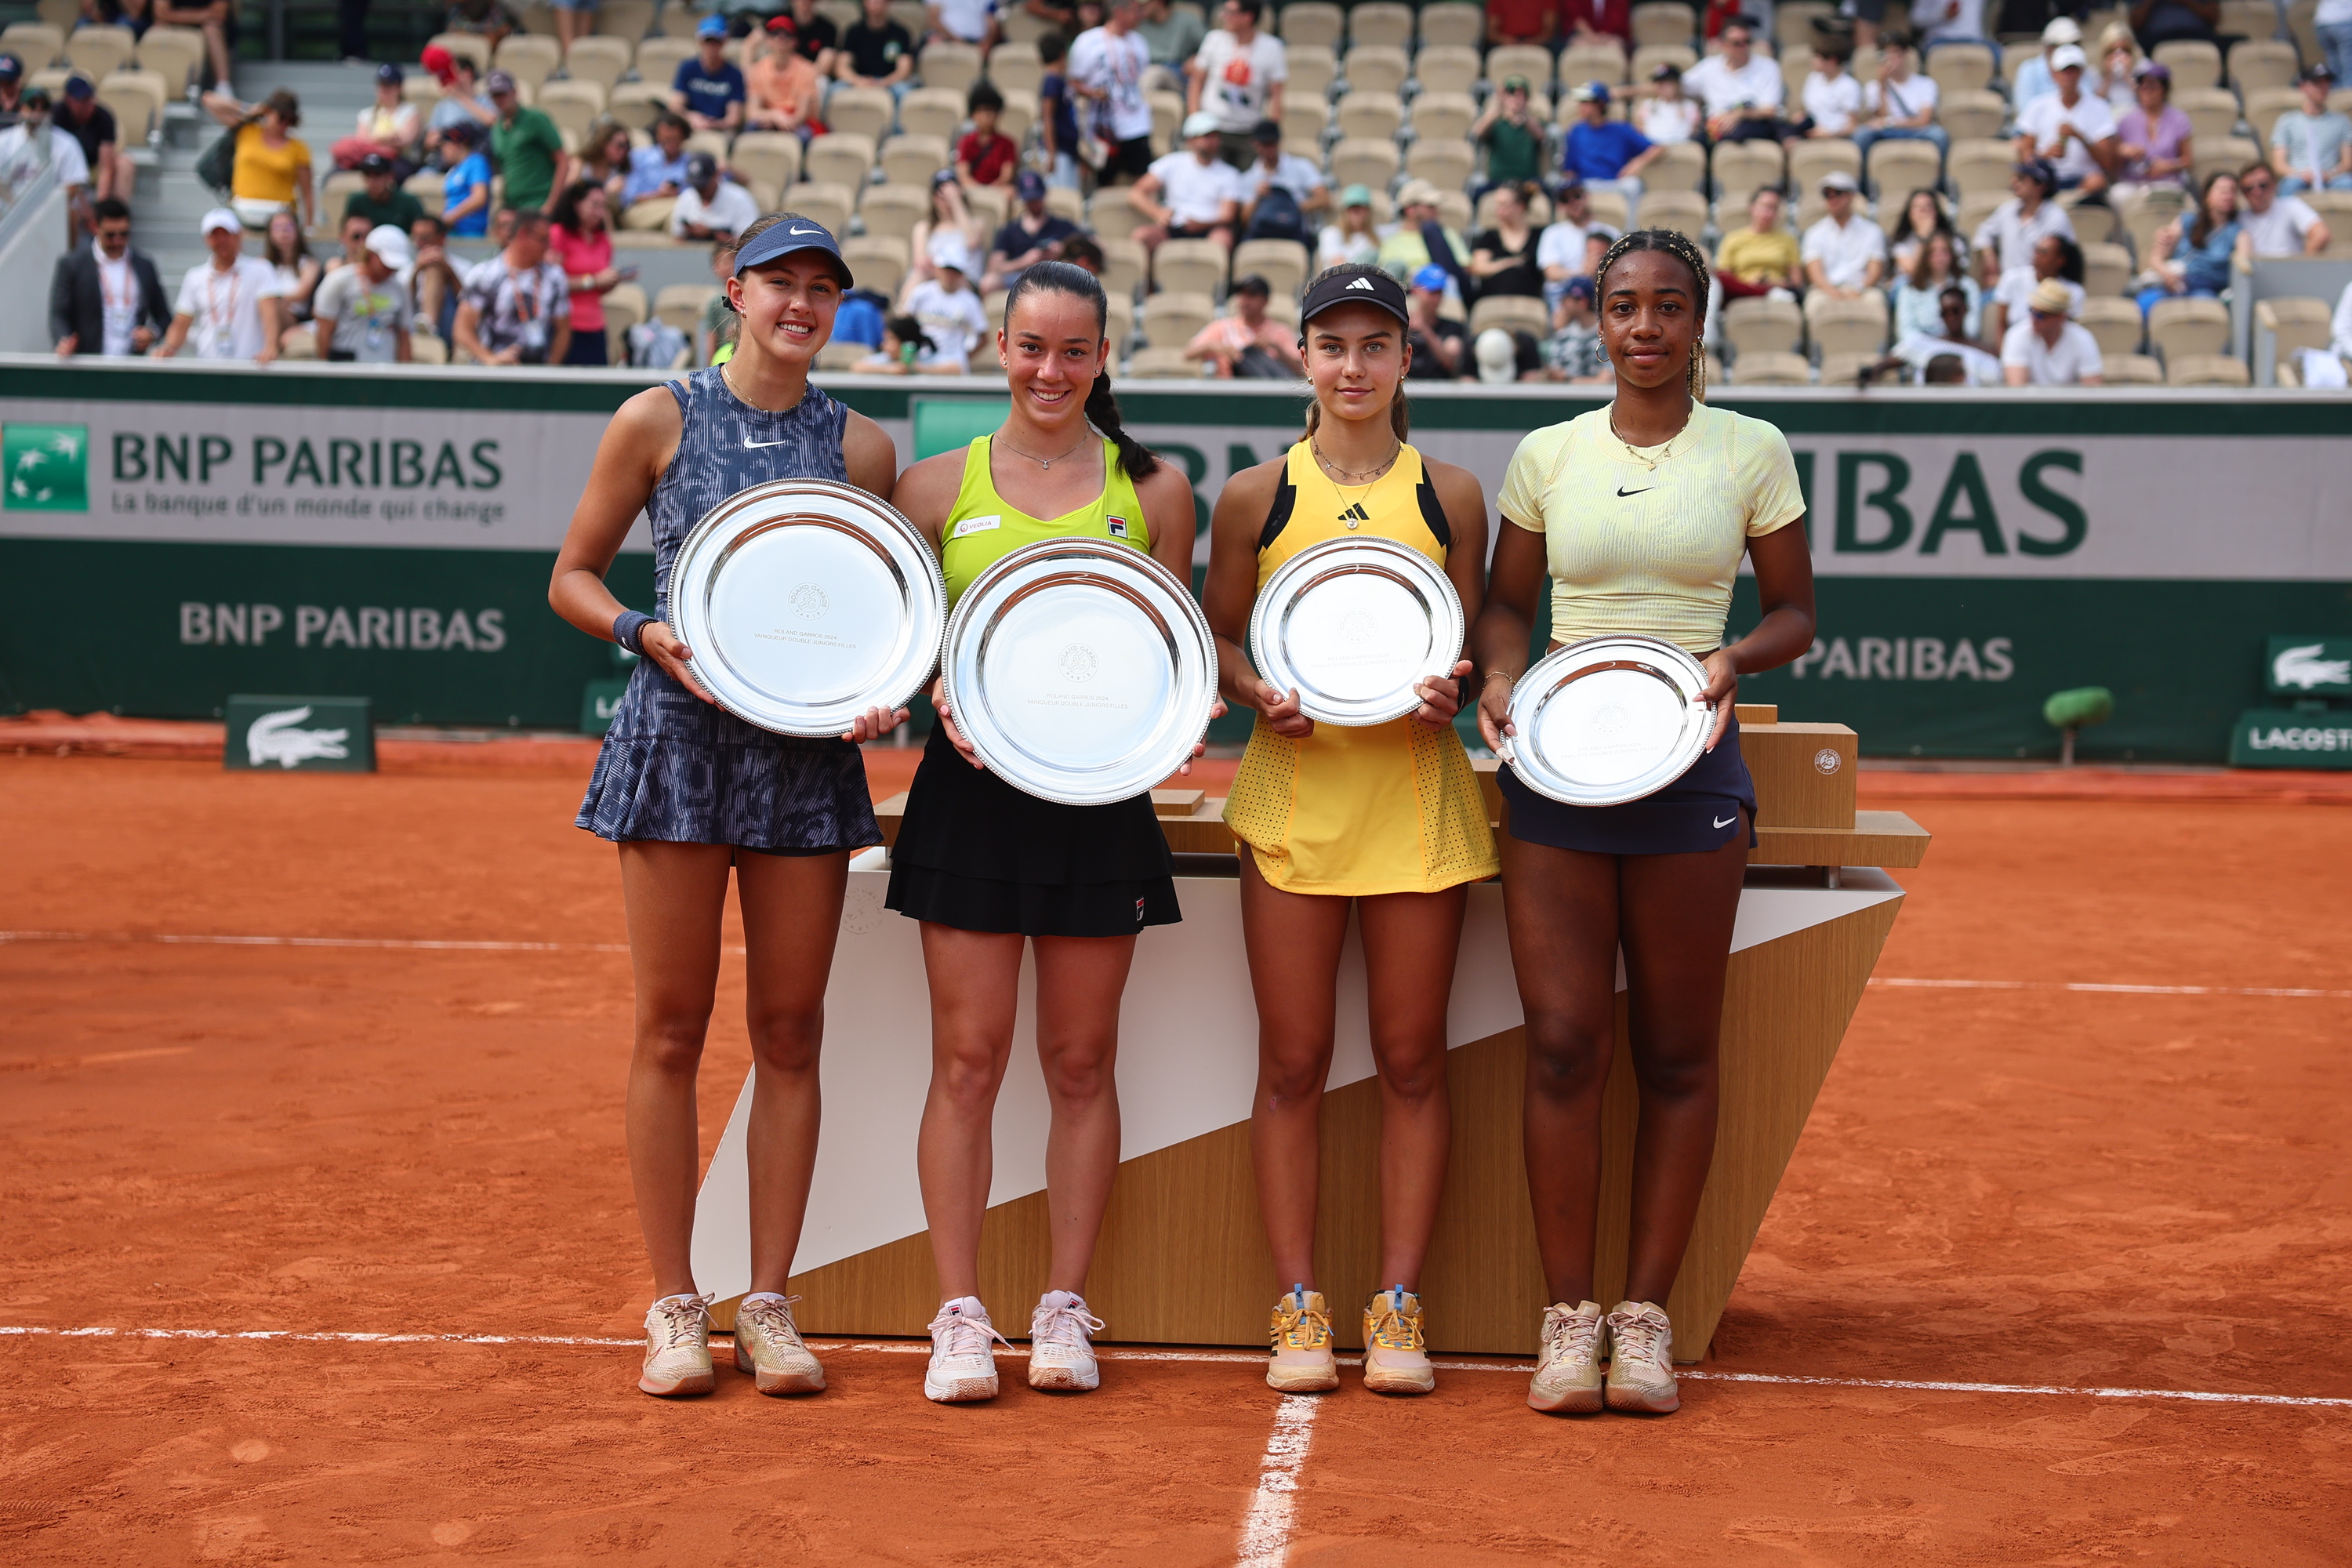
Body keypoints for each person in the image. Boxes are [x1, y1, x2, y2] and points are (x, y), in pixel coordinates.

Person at [551, 215, 900, 1402]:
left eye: (822, 289)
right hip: (679, 749)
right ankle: (673, 1306)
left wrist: (878, 694)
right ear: (734, 289)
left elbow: (874, 614)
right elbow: (572, 574)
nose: (801, 305)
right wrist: (636, 630)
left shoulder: (864, 445)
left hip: (803, 766)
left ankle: (768, 1304)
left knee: (791, 1033)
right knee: (669, 1028)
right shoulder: (658, 417)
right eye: (781, 284)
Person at [1470, 227, 1815, 1418]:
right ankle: (1569, 1319)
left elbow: (1796, 614)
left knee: (1676, 1049)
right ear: (1596, 319)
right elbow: (1509, 607)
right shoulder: (1549, 454)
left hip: (1693, 762)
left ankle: (1647, 1319)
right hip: (1561, 762)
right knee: (1565, 1042)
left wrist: (1727, 658)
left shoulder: (1751, 449)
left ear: (1698, 321)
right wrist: (1501, 679)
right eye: (1625, 307)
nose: (1646, 329)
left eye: (1669, 308)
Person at [884, 260, 1202, 1403]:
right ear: (1000, 347)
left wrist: (1182, 709)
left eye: (1074, 351)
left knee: (1080, 1061)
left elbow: (1174, 652)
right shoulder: (930, 490)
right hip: (968, 799)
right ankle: (958, 1316)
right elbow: (909, 652)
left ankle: (1064, 1307)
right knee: (967, 1062)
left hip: (1099, 801)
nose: (1050, 370)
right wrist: (936, 695)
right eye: (1030, 346)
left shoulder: (1156, 492)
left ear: (1104, 356)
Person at [1197, 262, 1494, 1396]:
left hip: (1415, 798)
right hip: (1294, 799)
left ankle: (1400, 1307)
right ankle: (1298, 1307)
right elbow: (1219, 641)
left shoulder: (1452, 493)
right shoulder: (1253, 495)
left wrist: (1452, 691)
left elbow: (1462, 655)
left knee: (1415, 1062)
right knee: (1295, 1062)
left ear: (1405, 361)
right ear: (1305, 360)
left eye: (1377, 346)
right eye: (1334, 346)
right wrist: (1254, 689)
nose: (1354, 367)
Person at [157, 207, 286, 361]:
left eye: (226, 234)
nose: (221, 240)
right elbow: (182, 322)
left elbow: (270, 312)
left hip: (250, 364)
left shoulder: (260, 270)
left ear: (238, 236)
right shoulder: (195, 276)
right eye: (215, 235)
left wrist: (271, 347)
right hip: (208, 365)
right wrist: (169, 348)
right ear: (207, 240)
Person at [49, 197, 169, 357]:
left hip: (131, 364)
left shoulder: (144, 265)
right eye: (110, 235)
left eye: (124, 234)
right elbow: (59, 313)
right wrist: (64, 340)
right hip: (87, 362)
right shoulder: (73, 265)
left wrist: (152, 334)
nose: (118, 240)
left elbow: (164, 316)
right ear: (95, 227)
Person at [456, 208, 571, 365]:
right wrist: (490, 359)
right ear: (523, 235)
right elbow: (462, 329)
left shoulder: (555, 276)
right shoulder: (485, 274)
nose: (548, 246)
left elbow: (563, 329)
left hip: (537, 370)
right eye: (543, 239)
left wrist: (550, 367)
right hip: (492, 370)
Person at [1131, 110, 1243, 260]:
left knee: (1223, 240)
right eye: (1206, 136)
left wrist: (1200, 224)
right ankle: (1149, 283)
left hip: (1210, 229)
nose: (1213, 141)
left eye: (1215, 136)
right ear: (1191, 140)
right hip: (1175, 227)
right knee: (1141, 236)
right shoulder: (1172, 162)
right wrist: (1158, 213)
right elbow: (1136, 193)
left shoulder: (1229, 174)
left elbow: (1227, 216)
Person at [1188, 0, 1285, 169]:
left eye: (1230, 12)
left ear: (1248, 17)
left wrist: (1268, 136)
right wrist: (1196, 123)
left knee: (1246, 185)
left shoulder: (1271, 48)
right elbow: (1196, 82)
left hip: (1248, 132)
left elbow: (1277, 96)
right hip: (1213, 130)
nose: (1223, 17)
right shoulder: (1214, 40)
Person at [201, 87, 312, 231]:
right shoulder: (247, 131)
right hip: (242, 211)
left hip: (280, 218)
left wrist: (309, 225)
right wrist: (248, 109)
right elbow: (209, 100)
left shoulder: (298, 148)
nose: (285, 124)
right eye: (282, 118)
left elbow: (307, 191)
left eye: (290, 121)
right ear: (269, 112)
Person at [2014, 44, 2118, 199]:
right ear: (2053, 74)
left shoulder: (2099, 107)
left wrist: (2081, 137)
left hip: (2083, 179)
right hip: (2046, 179)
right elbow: (2025, 154)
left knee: (2097, 182)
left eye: (2073, 70)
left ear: (2081, 72)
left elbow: (2108, 162)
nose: (2069, 75)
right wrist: (2044, 155)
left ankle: (2073, 202)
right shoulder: (2038, 106)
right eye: (2064, 70)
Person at [1070, 0, 1155, 183]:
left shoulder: (1139, 42)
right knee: (1104, 181)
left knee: (1140, 178)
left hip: (1136, 123)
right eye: (1136, 11)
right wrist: (1092, 93)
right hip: (1104, 126)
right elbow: (1073, 82)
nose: (1141, 15)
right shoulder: (1089, 42)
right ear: (1119, 12)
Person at [312, 224, 413, 363]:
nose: (391, 269)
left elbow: (404, 335)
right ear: (371, 254)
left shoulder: (400, 288)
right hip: (345, 371)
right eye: (386, 263)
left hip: (386, 372)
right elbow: (324, 331)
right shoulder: (338, 281)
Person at [2140, 169, 2240, 310]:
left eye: (2232, 191)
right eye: (2223, 191)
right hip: (2174, 282)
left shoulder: (2237, 232)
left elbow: (2243, 267)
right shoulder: (2187, 220)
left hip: (2206, 288)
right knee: (2147, 303)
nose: (2228, 196)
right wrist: (2167, 274)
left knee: (2203, 309)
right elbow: (2156, 257)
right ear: (2207, 196)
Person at [548, 178, 620, 365]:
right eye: (594, 205)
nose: (599, 213)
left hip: (595, 325)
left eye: (603, 206)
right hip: (564, 326)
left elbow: (600, 288)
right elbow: (552, 283)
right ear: (576, 204)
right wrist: (594, 281)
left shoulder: (603, 240)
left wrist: (610, 282)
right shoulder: (558, 234)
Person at [1971, 160, 2074, 285]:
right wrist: (1989, 256)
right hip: (2006, 286)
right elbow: (1983, 232)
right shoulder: (2007, 210)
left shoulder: (2056, 218)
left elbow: (2057, 262)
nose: (2014, 182)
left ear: (2040, 186)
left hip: (2041, 288)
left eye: (2021, 178)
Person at [1683, 19, 1785, 143]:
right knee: (1696, 142)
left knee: (1738, 133)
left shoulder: (1769, 67)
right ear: (1724, 45)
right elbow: (1678, 85)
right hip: (1716, 125)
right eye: (1737, 43)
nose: (1744, 47)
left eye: (1747, 42)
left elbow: (1770, 110)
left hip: (1753, 123)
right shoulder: (1709, 67)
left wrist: (1740, 114)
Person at [902, 231, 990, 370]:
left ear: (961, 273)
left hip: (950, 363)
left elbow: (984, 337)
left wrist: (964, 358)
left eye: (954, 271)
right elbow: (905, 323)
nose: (949, 275)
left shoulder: (970, 301)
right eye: (946, 269)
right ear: (937, 269)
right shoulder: (921, 293)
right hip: (922, 357)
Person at [1853, 37, 1946, 169]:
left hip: (1915, 130)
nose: (1892, 59)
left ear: (1905, 55)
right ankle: (1865, 185)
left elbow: (1924, 120)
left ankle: (1940, 183)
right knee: (1862, 134)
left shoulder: (1926, 84)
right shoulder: (1873, 87)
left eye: (1896, 53)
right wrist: (1882, 86)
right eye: (1887, 54)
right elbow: (1881, 117)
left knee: (1939, 135)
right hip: (1887, 131)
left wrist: (1892, 123)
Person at [1184, 270, 1301, 375]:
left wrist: (1276, 349)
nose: (1244, 300)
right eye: (1241, 294)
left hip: (1266, 393)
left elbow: (1301, 370)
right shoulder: (1223, 327)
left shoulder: (1279, 331)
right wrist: (1215, 346)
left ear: (1265, 301)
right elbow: (1188, 353)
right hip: (1228, 392)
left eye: (1252, 294)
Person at [487, 69, 569, 213]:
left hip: (539, 202)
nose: (501, 99)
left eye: (503, 93)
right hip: (514, 207)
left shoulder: (535, 119)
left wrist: (550, 205)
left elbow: (562, 160)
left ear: (514, 92)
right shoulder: (497, 128)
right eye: (496, 95)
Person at [985, 168, 1081, 292]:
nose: (1034, 204)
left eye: (1037, 199)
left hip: (1055, 279)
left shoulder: (1063, 226)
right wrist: (1024, 261)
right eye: (1030, 200)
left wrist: (1062, 253)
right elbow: (994, 267)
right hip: (1019, 279)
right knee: (989, 282)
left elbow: (1089, 249)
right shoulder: (1009, 230)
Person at [1887, 281, 2002, 383]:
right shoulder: (1921, 343)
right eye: (1945, 312)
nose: (1950, 317)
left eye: (1955, 311)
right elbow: (1885, 364)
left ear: (1966, 309)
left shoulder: (1987, 352)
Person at [1562, 82, 1658, 201]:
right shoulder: (1577, 131)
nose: (1580, 107)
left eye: (1585, 103)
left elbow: (1657, 148)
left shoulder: (1620, 130)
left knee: (1634, 185)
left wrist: (1636, 163)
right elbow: (1570, 170)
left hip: (1614, 183)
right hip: (1585, 185)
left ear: (1600, 105)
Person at [2002, 274, 2104, 384]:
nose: (2034, 318)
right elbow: (2017, 390)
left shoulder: (2083, 339)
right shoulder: (2016, 335)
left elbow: (2093, 389)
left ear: (2061, 317)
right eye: (2032, 311)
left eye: (2041, 315)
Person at [1983, 231, 2082, 344]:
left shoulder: (2074, 292)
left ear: (2060, 260)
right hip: (2014, 348)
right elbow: (2001, 325)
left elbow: (2066, 331)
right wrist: (2005, 357)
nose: (2037, 255)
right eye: (2036, 250)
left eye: (2044, 252)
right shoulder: (2011, 278)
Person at [2113, 61, 2192, 202]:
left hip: (2167, 181)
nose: (2146, 90)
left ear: (2164, 89)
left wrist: (2169, 165)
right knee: (2117, 195)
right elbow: (2115, 162)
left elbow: (2188, 161)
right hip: (2135, 182)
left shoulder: (2179, 119)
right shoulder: (2126, 120)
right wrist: (2123, 151)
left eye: (2152, 86)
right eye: (2142, 86)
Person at [1801, 172, 1886, 300]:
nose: (1832, 199)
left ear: (1851, 196)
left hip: (1863, 288)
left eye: (1838, 193)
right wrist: (1832, 291)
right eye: (1827, 195)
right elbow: (1815, 273)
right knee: (1816, 302)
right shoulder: (1814, 232)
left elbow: (1875, 270)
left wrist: (1859, 290)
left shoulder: (1873, 231)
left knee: (1876, 300)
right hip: (1825, 289)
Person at [2270, 64, 2352, 195]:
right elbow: (2279, 164)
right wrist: (2300, 174)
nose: (2323, 88)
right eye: (2317, 83)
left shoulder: (2341, 121)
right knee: (2289, 186)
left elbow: (2347, 162)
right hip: (2298, 177)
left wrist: (2330, 174)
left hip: (2331, 178)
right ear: (2303, 87)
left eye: (2327, 83)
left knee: (2347, 183)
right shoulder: (2287, 121)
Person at [746, 16, 828, 139]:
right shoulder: (758, 70)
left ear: (795, 41)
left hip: (796, 122)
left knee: (804, 136)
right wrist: (775, 116)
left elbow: (802, 114)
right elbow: (752, 112)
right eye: (775, 34)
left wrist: (783, 119)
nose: (781, 38)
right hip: (771, 118)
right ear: (768, 40)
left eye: (787, 34)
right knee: (750, 128)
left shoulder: (806, 69)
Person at [1713, 185, 1801, 299]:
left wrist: (1771, 283)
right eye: (1765, 206)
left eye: (1774, 208)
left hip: (1776, 290)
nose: (1768, 212)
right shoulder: (1732, 238)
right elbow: (1725, 276)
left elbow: (1797, 281)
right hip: (1742, 291)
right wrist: (1750, 284)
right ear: (1752, 207)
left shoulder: (1788, 240)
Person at [1893, 229, 1979, 339]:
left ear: (1952, 255)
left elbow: (1972, 328)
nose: (1939, 257)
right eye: (1933, 252)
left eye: (1944, 252)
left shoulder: (1968, 286)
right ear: (1926, 257)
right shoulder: (1909, 289)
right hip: (1921, 348)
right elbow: (1905, 331)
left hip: (1958, 345)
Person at [336, 63, 421, 173]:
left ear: (399, 87)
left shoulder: (410, 111)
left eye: (389, 85)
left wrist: (375, 140)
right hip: (369, 158)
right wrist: (388, 139)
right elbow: (362, 141)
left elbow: (406, 140)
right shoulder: (366, 114)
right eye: (381, 84)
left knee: (397, 172)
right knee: (337, 172)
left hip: (397, 160)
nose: (384, 89)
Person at [2235, 161, 2332, 257]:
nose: (2257, 192)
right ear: (2243, 192)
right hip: (2255, 270)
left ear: (2274, 185)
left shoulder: (2290, 205)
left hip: (2288, 268)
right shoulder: (2239, 217)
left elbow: (2321, 234)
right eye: (2249, 188)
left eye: (2263, 185)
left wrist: (2302, 264)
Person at [673, 15, 748, 135]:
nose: (711, 47)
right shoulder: (688, 68)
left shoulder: (735, 74)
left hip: (720, 130)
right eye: (707, 41)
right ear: (699, 42)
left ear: (724, 42)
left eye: (716, 41)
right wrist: (691, 117)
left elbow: (734, 118)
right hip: (690, 126)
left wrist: (714, 124)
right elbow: (676, 105)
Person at [1470, 181, 1546, 298]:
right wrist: (1509, 263)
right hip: (1494, 298)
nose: (1498, 209)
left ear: (1520, 206)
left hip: (1529, 300)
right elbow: (1479, 268)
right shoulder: (1489, 236)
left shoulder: (1540, 235)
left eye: (1503, 204)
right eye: (1497, 204)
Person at [1475, 74, 1548, 195]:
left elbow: (1541, 136)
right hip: (1498, 181)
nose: (1516, 98)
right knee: (1477, 195)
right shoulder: (1496, 124)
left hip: (1527, 182)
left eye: (1521, 95)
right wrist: (1499, 105)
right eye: (1511, 94)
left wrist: (1523, 114)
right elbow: (1478, 133)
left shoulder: (1534, 122)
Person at [836, 0, 916, 105]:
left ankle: (897, 122)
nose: (875, 3)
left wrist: (883, 83)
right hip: (860, 79)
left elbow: (904, 70)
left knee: (903, 92)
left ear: (888, 3)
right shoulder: (854, 32)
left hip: (890, 81)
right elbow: (842, 66)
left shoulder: (900, 33)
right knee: (835, 89)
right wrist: (858, 81)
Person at [55, 76, 118, 209]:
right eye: (81, 100)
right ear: (68, 100)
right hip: (65, 167)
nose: (87, 104)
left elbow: (106, 166)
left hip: (93, 166)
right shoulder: (56, 115)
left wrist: (100, 207)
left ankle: (112, 216)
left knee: (124, 164)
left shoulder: (104, 117)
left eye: (89, 98)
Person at [422, 46, 495, 160]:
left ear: (467, 74)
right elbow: (429, 142)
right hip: (447, 160)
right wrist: (447, 138)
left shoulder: (486, 100)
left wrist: (460, 97)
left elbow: (492, 121)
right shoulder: (443, 106)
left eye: (454, 72)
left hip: (477, 158)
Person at [672, 151, 759, 241]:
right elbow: (678, 238)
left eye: (703, 185)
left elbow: (749, 244)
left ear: (716, 175)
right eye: (696, 185)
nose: (700, 189)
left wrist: (712, 234)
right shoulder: (686, 197)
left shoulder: (740, 199)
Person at [403, 212, 463, 341]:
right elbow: (403, 303)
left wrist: (448, 272)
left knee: (434, 270)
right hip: (414, 332)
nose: (419, 244)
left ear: (442, 238)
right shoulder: (407, 269)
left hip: (454, 331)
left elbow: (469, 301)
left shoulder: (463, 266)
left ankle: (429, 326)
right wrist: (417, 271)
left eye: (425, 238)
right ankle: (428, 328)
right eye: (415, 238)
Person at [622, 114, 694, 219]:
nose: (669, 143)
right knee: (680, 210)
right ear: (657, 136)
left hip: (675, 208)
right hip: (641, 209)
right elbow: (629, 197)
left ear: (684, 138)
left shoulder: (691, 162)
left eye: (674, 139)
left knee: (680, 212)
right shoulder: (638, 157)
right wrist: (659, 195)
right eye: (666, 138)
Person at [1403, 262, 1468, 378]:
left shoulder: (1452, 326)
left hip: (1441, 388)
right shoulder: (1402, 324)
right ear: (1416, 290)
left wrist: (1425, 330)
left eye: (1440, 292)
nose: (1437, 298)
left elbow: (1451, 364)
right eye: (1432, 292)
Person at [1036, 31, 1083, 188]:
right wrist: (1051, 153)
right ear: (1063, 54)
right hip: (1058, 151)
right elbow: (1047, 117)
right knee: (1062, 195)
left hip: (1066, 150)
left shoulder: (1060, 80)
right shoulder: (1052, 82)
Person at [1540, 274, 1609, 379]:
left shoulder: (1607, 335)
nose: (1562, 304)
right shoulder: (1564, 336)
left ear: (1583, 302)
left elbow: (1605, 379)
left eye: (1566, 299)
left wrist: (1568, 378)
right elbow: (1553, 372)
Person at [1791, 44, 1863, 143]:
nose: (1813, 61)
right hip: (1809, 131)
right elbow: (1806, 109)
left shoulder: (1850, 86)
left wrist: (1830, 134)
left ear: (1831, 61)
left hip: (1835, 136)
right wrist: (1800, 116)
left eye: (1817, 58)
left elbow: (1852, 127)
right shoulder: (1812, 78)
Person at [957, 82, 1018, 193]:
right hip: (972, 188)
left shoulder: (1008, 144)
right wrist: (976, 189)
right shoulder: (966, 142)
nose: (987, 115)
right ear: (973, 115)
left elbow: (1006, 176)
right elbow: (963, 174)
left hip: (998, 189)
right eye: (982, 110)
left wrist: (991, 190)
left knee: (1010, 192)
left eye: (992, 110)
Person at [343, 151, 424, 234]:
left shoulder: (408, 202)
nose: (372, 180)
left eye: (377, 174)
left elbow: (421, 231)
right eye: (368, 175)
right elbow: (348, 231)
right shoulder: (357, 201)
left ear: (390, 176)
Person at [435, 121, 492, 238]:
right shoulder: (454, 169)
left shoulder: (476, 162)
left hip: (470, 234)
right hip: (453, 231)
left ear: (456, 145)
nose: (442, 152)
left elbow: (479, 197)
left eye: (444, 146)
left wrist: (450, 218)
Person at [2011, 16, 2082, 111]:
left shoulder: (2083, 69)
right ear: (2049, 48)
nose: (2069, 51)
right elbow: (2026, 111)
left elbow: (2090, 107)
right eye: (2063, 46)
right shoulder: (2029, 70)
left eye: (2075, 44)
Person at [1886, 187, 1958, 277]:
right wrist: (1923, 238)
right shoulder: (1901, 240)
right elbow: (1912, 271)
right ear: (1909, 213)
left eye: (1928, 206)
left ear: (1936, 211)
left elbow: (1957, 269)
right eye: (1917, 207)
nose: (1923, 211)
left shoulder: (1951, 238)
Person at [1135, 0, 1204, 93]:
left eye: (1145, 3)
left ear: (1159, 2)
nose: (1140, 7)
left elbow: (1211, 44)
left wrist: (1197, 58)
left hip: (1175, 72)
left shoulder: (1187, 21)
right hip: (1143, 67)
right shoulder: (1138, 23)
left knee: (1153, 74)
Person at [1632, 62, 1702, 146]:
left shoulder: (1690, 106)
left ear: (1677, 84)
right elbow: (1640, 128)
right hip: (1652, 146)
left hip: (1681, 145)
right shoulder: (1647, 105)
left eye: (1667, 83)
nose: (1662, 87)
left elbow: (1694, 130)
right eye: (1659, 83)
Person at [1318, 182, 1381, 270]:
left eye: (1361, 208)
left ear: (1368, 211)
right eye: (1352, 209)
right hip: (1341, 280)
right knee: (1371, 255)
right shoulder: (1330, 233)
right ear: (1344, 212)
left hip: (1369, 281)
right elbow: (1340, 265)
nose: (1357, 213)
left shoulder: (1379, 234)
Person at [579, 117, 634, 203]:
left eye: (627, 146)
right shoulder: (580, 164)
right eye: (620, 145)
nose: (623, 151)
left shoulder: (619, 171)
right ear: (604, 143)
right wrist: (606, 191)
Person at [2129, 0, 2223, 49]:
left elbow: (2214, 17)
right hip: (2156, 40)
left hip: (2197, 36)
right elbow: (2135, 24)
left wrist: (2187, 1)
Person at [926, 0, 1000, 53]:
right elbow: (933, 19)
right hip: (946, 39)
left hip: (977, 43)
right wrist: (956, 41)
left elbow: (991, 21)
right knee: (934, 43)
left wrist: (987, 43)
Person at [1488, 0, 1560, 47]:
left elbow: (1549, 29)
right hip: (1506, 44)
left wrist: (1535, 41)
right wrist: (1503, 40)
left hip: (1537, 44)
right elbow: (1492, 31)